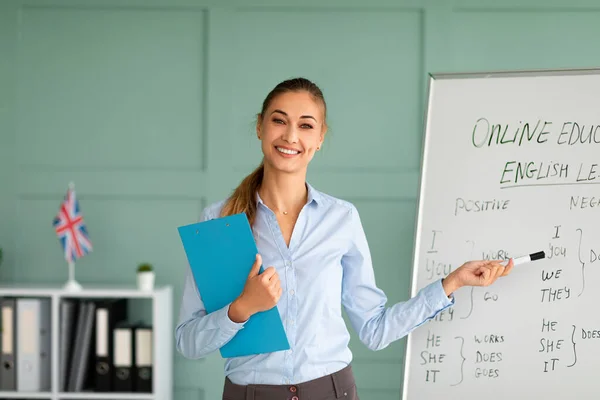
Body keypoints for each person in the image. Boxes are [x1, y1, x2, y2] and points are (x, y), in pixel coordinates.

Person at [175, 77, 514, 400]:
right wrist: (241, 308)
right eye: (280, 121)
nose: (291, 135)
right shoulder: (220, 222)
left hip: (333, 392)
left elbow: (375, 329)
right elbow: (188, 342)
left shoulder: (342, 219)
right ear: (260, 126)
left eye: (306, 125)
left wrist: (451, 283)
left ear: (320, 137)